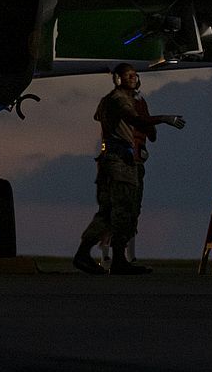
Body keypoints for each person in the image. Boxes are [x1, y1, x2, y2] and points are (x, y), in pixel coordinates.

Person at [73, 63, 185, 275]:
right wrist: (163, 118)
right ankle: (116, 260)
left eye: (134, 75)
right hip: (120, 162)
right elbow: (135, 120)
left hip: (113, 161)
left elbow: (143, 129)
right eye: (128, 76)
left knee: (108, 212)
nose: (133, 79)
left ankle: (87, 254)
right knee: (124, 210)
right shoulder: (119, 100)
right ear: (118, 79)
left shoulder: (113, 101)